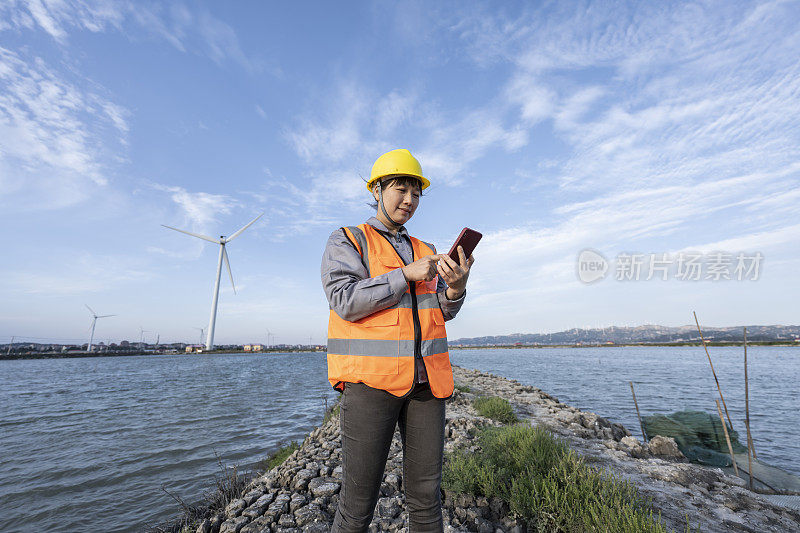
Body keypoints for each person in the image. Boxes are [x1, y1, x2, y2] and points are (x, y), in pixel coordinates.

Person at [320, 148, 474, 532]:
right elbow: (345, 300)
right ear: (376, 190)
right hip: (370, 385)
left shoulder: (426, 250)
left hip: (426, 386)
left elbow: (440, 312)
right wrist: (404, 275)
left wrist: (457, 288)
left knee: (426, 499)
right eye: (400, 189)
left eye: (416, 192)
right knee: (357, 505)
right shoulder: (348, 240)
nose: (409, 199)